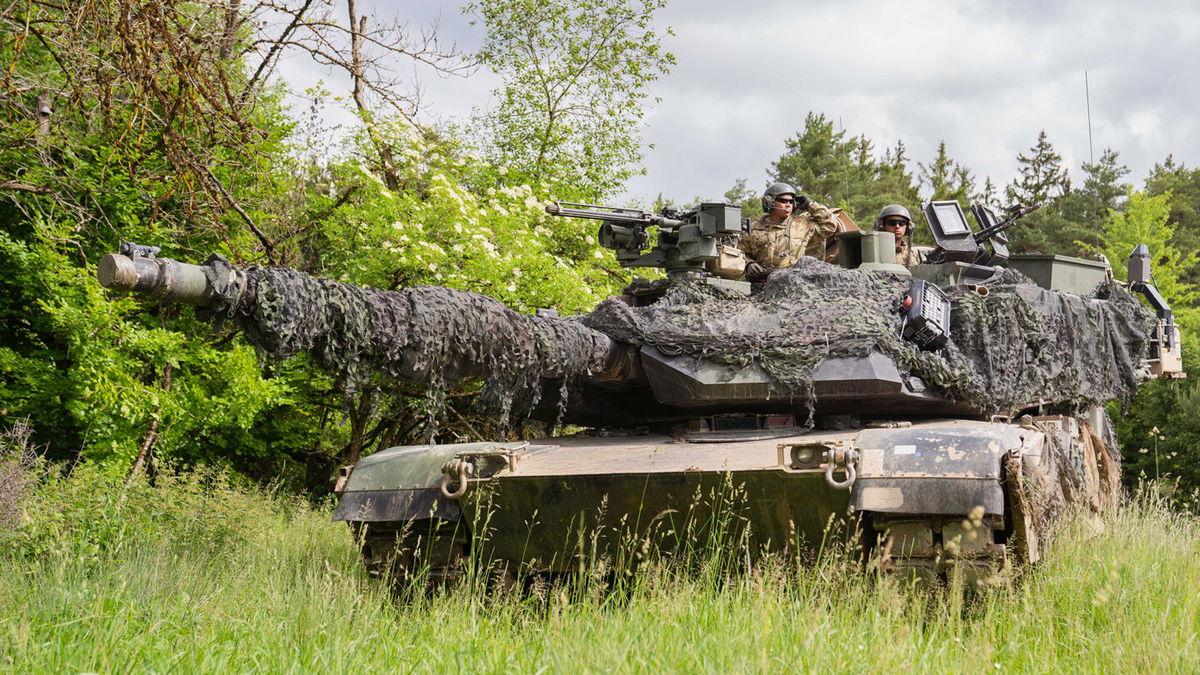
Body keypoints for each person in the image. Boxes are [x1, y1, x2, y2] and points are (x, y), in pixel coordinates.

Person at [740, 182, 839, 282]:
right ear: (769, 201)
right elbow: (741, 254)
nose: (788, 205)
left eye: (791, 202)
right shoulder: (752, 228)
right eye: (783, 201)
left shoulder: (802, 225)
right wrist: (749, 264)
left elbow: (829, 225)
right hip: (760, 284)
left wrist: (810, 205)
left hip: (795, 283)